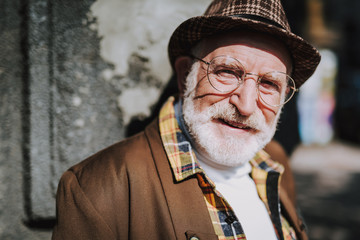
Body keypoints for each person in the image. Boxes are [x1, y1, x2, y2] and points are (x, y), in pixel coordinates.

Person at [52, 0, 320, 239]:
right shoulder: (97, 189)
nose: (246, 106)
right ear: (184, 76)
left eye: (269, 84)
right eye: (227, 71)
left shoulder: (274, 162)